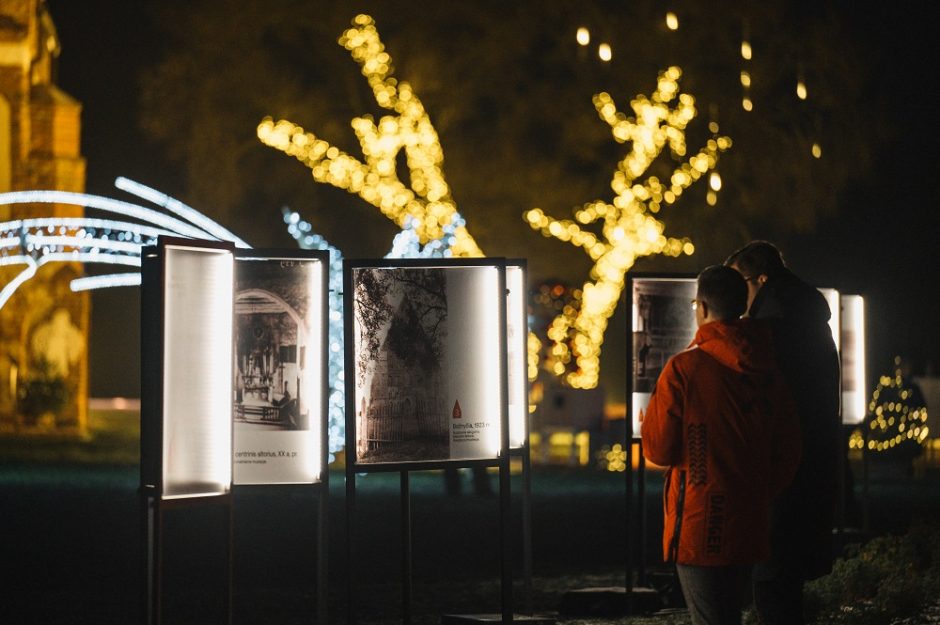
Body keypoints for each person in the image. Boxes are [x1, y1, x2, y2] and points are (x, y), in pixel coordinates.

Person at [642, 265, 801, 625]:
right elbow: (789, 449)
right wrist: (757, 488)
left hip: (700, 520)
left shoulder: (685, 368)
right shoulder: (770, 370)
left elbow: (659, 450)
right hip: (751, 520)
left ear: (700, 308)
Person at [725, 241, 841, 625]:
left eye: (739, 282)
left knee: (773, 581)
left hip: (781, 473)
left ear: (761, 278)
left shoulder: (773, 328)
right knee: (785, 581)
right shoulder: (806, 318)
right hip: (809, 468)